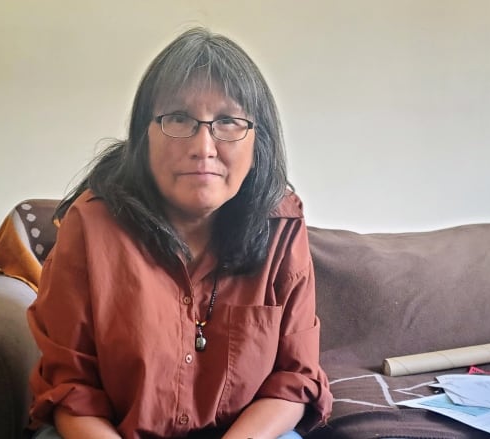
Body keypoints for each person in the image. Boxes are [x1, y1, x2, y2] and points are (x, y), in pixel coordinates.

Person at [27, 27, 332, 439]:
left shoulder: (281, 226)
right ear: (143, 135)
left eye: (227, 121)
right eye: (178, 119)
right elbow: (71, 391)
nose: (203, 146)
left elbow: (293, 380)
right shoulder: (91, 226)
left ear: (258, 140)